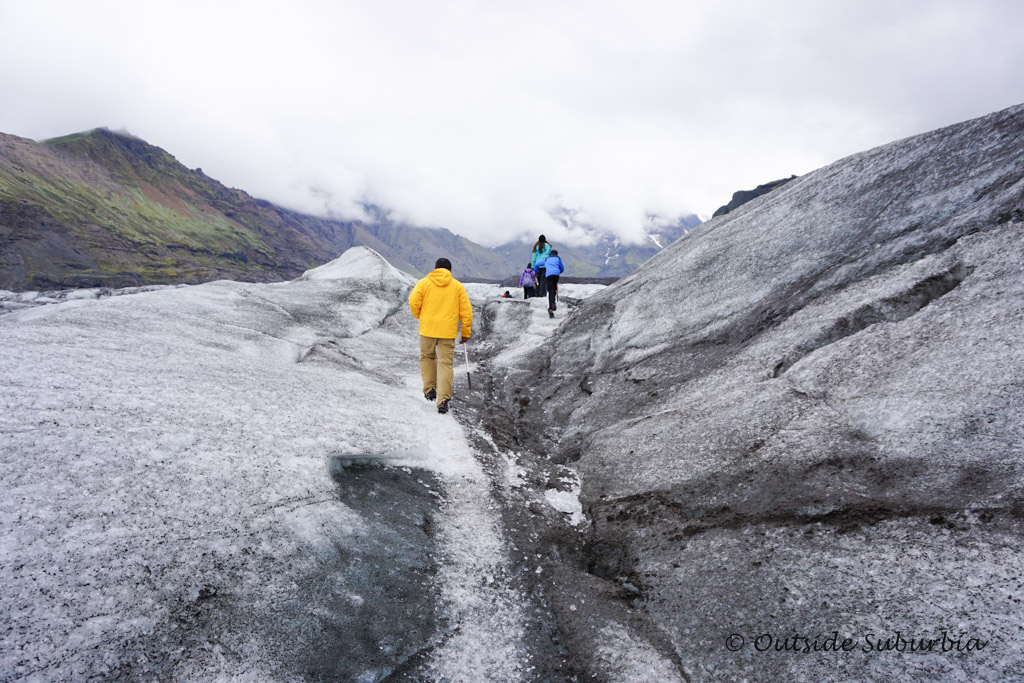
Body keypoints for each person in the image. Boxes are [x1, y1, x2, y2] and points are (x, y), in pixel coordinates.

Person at [408, 257, 472, 414]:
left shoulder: (424, 283)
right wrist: (465, 332)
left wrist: (421, 316)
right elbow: (466, 312)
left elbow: (413, 301)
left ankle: (430, 389)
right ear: (450, 270)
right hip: (447, 332)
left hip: (427, 329)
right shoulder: (457, 286)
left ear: (435, 269)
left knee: (427, 357)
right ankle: (443, 400)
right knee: (445, 364)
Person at [542, 249, 564, 318]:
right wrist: (557, 272)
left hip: (549, 275)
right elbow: (562, 268)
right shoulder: (558, 258)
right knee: (554, 289)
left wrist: (536, 271)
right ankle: (553, 303)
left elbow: (537, 264)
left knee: (550, 291)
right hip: (556, 275)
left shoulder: (546, 259)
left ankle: (550, 308)